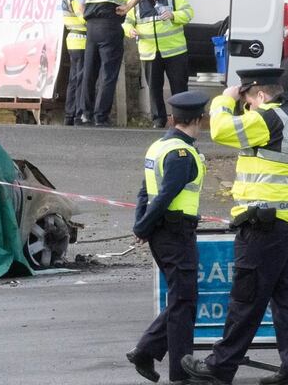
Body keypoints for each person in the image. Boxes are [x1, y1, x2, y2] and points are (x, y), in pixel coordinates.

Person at [181, 68, 288, 385]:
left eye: (248, 101)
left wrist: (223, 101)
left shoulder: (268, 118)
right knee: (287, 298)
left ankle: (220, 366)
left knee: (246, 298)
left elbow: (221, 131)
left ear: (260, 94)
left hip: (265, 223)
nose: (247, 108)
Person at [126, 90, 210, 384]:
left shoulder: (157, 147)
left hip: (165, 233)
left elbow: (144, 192)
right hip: (175, 233)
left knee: (181, 298)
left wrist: (142, 224)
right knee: (184, 300)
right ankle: (180, 372)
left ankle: (146, 351)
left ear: (173, 118)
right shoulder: (181, 153)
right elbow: (163, 197)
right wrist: (143, 227)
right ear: (198, 119)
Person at [74, 0, 143, 127]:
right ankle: (100, 116)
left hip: (91, 27)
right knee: (108, 73)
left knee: (89, 71)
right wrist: (128, 7)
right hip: (110, 24)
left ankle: (85, 115)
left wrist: (85, 20)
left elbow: (79, 5)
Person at [123, 0, 194, 129]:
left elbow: (189, 12)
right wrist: (129, 30)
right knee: (154, 89)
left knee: (179, 87)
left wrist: (174, 15)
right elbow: (127, 22)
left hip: (175, 51)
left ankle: (182, 120)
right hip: (149, 53)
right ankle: (158, 120)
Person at [60, 0, 94, 125]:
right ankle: (75, 114)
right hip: (80, 39)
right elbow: (82, 16)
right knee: (80, 79)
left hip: (74, 39)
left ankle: (70, 115)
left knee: (75, 78)